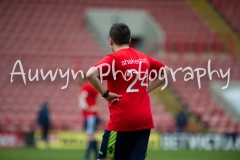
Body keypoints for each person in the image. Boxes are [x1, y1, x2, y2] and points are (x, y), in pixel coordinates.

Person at [86, 23, 170, 160]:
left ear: (111, 41)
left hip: (121, 122)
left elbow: (90, 74)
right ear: (129, 41)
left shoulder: (113, 59)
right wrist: (146, 89)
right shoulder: (144, 57)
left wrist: (105, 95)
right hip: (144, 122)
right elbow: (166, 72)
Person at [78, 74, 100, 160]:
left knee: (90, 135)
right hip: (87, 115)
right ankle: (97, 156)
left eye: (78, 78)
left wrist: (96, 106)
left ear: (82, 78)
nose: (77, 81)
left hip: (91, 115)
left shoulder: (88, 86)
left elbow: (99, 93)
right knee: (91, 136)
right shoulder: (83, 87)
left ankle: (87, 156)